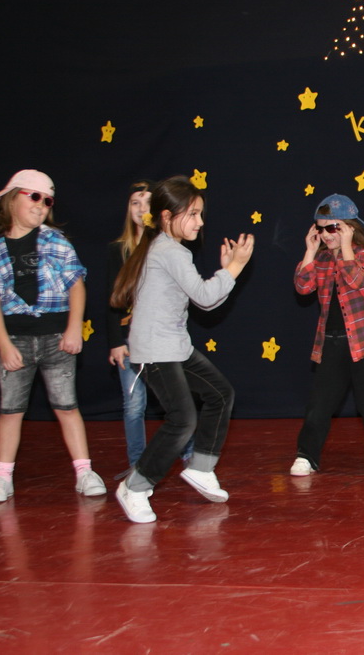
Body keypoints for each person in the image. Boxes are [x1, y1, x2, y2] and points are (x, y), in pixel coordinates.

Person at [110, 176, 254, 523]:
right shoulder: (169, 251)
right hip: (155, 349)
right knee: (182, 419)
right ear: (166, 216)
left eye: (201, 213)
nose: (200, 222)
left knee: (220, 393)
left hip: (174, 346)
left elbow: (207, 299)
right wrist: (235, 266)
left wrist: (226, 271)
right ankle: (135, 486)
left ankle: (201, 467)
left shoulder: (167, 249)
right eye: (192, 214)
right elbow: (205, 298)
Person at [0, 169, 106, 503]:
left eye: (48, 201)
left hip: (56, 338)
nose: (41, 205)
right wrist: (3, 345)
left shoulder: (55, 241)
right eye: (34, 197)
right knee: (10, 410)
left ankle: (84, 471)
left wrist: (74, 327)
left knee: (67, 406)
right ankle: (2, 477)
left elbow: (76, 285)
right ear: (12, 199)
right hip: (16, 340)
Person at [291, 194, 364, 476]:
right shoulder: (322, 258)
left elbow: (357, 279)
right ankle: (306, 455)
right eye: (321, 229)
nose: (326, 235)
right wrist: (310, 252)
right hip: (331, 341)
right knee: (319, 404)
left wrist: (347, 247)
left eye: (332, 228)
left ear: (349, 227)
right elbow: (302, 286)